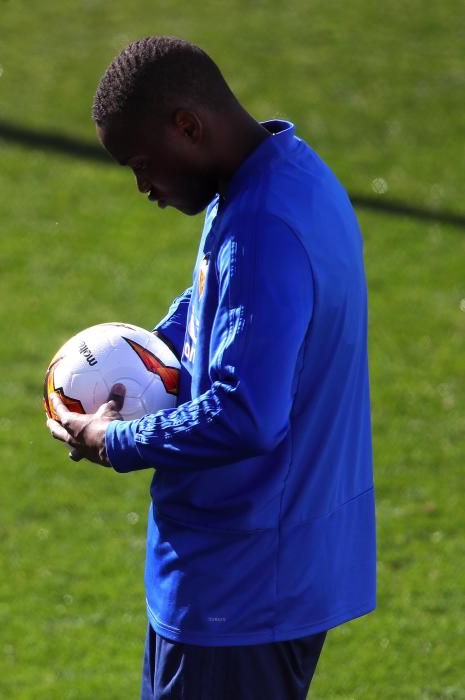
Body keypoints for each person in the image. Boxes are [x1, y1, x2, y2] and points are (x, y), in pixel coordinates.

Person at [47, 36, 376, 700]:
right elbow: (222, 300)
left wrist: (113, 441)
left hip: (239, 589)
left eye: (142, 163)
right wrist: (152, 347)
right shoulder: (285, 174)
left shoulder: (262, 225)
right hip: (259, 573)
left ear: (188, 126)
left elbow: (245, 416)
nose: (143, 187)